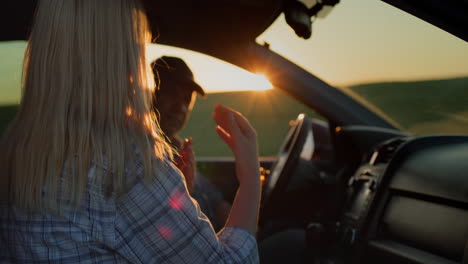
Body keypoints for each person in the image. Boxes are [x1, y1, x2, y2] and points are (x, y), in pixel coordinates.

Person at [0, 0, 261, 263]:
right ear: (123, 59)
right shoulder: (124, 163)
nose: (180, 107)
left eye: (187, 99)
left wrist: (179, 196)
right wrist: (250, 176)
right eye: (137, 46)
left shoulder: (15, 150)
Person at [151, 56, 231, 230]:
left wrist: (224, 212)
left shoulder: (177, 147)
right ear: (150, 95)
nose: (180, 107)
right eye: (172, 94)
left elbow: (211, 195)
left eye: (187, 100)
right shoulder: (142, 155)